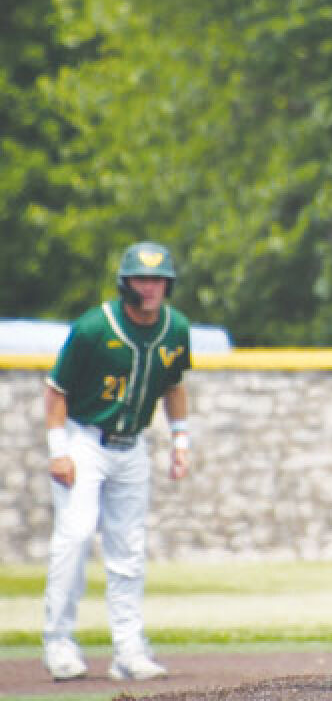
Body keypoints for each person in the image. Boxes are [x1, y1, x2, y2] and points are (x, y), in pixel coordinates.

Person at [41, 241, 192, 681]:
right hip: (85, 438)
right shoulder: (93, 328)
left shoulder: (175, 329)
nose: (150, 288)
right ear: (125, 283)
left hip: (133, 445)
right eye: (142, 280)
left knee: (129, 550)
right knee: (75, 535)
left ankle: (128, 650)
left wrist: (181, 441)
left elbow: (174, 385)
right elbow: (56, 392)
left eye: (158, 280)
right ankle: (59, 642)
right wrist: (58, 451)